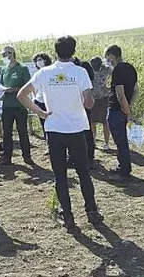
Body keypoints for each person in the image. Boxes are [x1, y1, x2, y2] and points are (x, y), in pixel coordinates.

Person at [17, 36, 103, 232]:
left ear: (55, 52)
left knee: (60, 175)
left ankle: (68, 216)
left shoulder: (45, 73)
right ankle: (91, 211)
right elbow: (89, 103)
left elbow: (22, 94)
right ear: (73, 52)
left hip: (54, 128)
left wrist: (39, 111)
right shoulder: (80, 72)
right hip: (77, 129)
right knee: (83, 173)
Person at [105, 45, 138, 177]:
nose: (107, 60)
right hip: (124, 108)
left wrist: (127, 111)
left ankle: (124, 169)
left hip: (116, 110)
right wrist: (129, 106)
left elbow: (120, 94)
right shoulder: (130, 67)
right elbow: (136, 89)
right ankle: (123, 166)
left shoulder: (118, 70)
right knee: (122, 141)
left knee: (120, 141)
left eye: (107, 57)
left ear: (112, 56)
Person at [0, 45, 33, 166]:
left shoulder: (22, 68)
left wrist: (13, 90)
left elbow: (28, 87)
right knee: (7, 132)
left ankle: (27, 156)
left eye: (4, 55)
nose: (3, 57)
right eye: (2, 55)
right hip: (7, 105)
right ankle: (7, 157)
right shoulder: (4, 69)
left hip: (20, 106)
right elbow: (2, 85)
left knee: (22, 131)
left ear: (11, 54)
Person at [72, 56, 96, 167]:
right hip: (70, 105)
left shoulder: (83, 66)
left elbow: (91, 81)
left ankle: (90, 158)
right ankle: (72, 157)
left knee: (86, 130)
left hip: (84, 103)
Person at [89, 57, 112, 152]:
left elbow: (117, 78)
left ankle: (106, 143)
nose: (96, 68)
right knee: (92, 121)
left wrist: (110, 88)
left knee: (105, 121)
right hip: (92, 99)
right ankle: (93, 141)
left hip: (104, 98)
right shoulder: (88, 70)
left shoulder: (107, 69)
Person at [31, 53, 52, 141]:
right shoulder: (36, 74)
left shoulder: (51, 71)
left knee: (52, 124)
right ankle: (48, 144)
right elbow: (33, 89)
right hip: (40, 101)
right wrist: (34, 99)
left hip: (51, 101)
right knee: (43, 124)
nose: (39, 62)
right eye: (37, 60)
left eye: (40, 60)